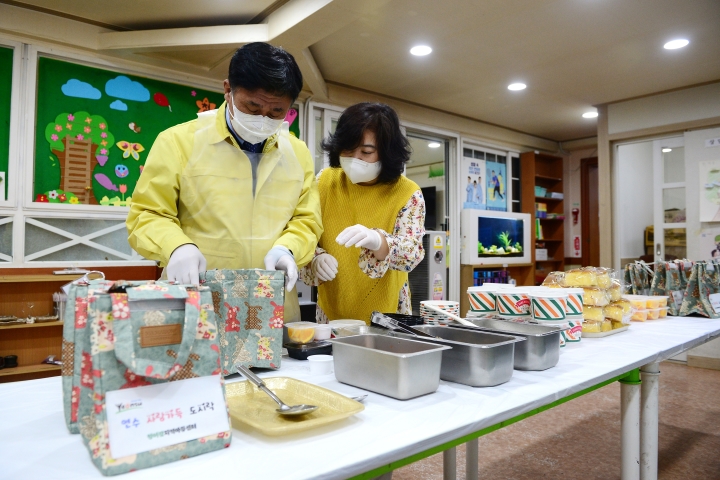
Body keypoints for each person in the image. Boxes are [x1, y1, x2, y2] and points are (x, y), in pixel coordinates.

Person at [126, 42, 322, 323]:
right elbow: (146, 214)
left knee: (276, 369)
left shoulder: (297, 153)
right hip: (196, 302)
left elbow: (307, 220)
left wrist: (288, 249)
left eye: (276, 111)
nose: (262, 119)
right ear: (228, 90)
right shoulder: (179, 142)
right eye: (252, 106)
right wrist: (176, 246)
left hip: (270, 309)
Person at [300, 102, 426, 324]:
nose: (354, 158)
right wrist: (315, 258)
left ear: (387, 152)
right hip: (332, 311)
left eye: (366, 152)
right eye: (347, 150)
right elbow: (304, 231)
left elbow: (411, 254)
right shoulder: (325, 182)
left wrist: (379, 242)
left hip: (387, 316)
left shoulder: (407, 193)